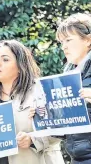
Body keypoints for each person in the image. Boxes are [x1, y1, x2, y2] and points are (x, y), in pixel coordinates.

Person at [29, 13, 91, 164]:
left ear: (88, 40)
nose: (64, 46)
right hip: (77, 157)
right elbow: (68, 128)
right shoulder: (67, 76)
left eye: (69, 40)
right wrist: (44, 117)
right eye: (62, 42)